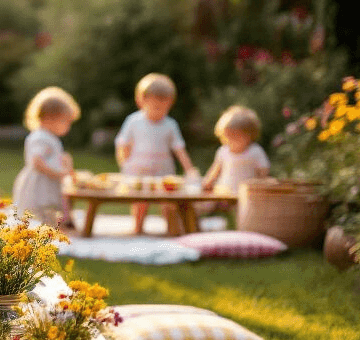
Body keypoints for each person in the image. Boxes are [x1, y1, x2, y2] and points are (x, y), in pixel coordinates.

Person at [115, 73, 196, 234]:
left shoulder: (170, 124)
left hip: (163, 172)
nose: (159, 111)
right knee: (140, 202)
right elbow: (123, 143)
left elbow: (179, 148)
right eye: (156, 106)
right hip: (138, 171)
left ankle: (171, 229)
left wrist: (189, 170)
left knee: (168, 203)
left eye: (163, 107)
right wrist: (125, 163)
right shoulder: (133, 121)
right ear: (141, 101)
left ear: (170, 103)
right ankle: (138, 228)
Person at [12, 86, 81, 228]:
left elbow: (52, 157)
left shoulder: (49, 137)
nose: (68, 126)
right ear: (50, 118)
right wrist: (58, 173)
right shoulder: (40, 137)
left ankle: (53, 230)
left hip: (48, 183)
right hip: (40, 185)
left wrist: (65, 163)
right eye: (66, 121)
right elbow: (37, 162)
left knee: (50, 213)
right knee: (40, 213)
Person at [203, 105, 271, 203]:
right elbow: (215, 171)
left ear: (249, 135)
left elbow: (264, 173)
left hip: (247, 196)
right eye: (227, 136)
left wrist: (258, 186)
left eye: (235, 137)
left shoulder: (255, 151)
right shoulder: (223, 151)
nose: (230, 140)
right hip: (223, 194)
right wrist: (207, 183)